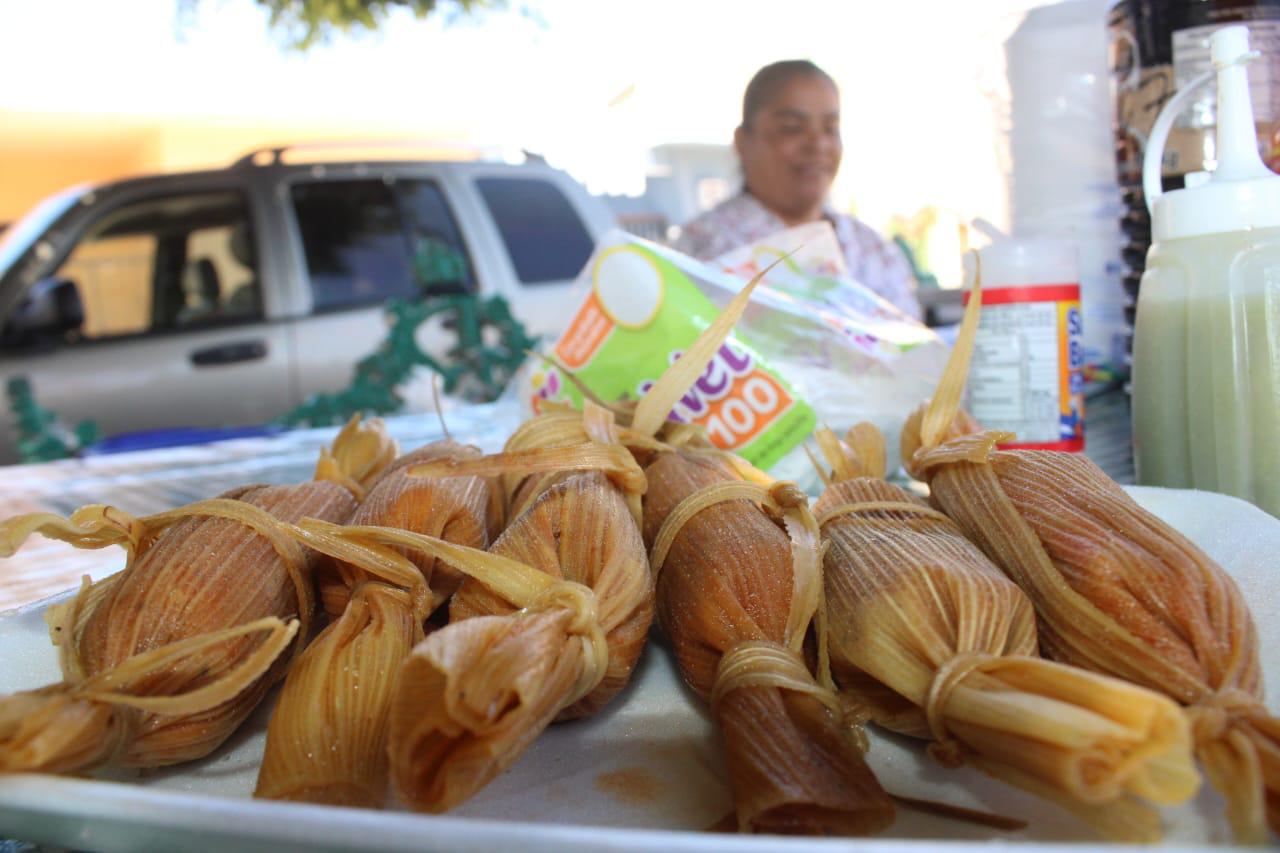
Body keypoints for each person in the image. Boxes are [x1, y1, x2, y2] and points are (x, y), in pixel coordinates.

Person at [673, 60, 921, 319]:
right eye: (792, 128)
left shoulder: (875, 251)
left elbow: (914, 349)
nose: (817, 144)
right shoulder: (702, 250)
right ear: (743, 141)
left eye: (830, 129)